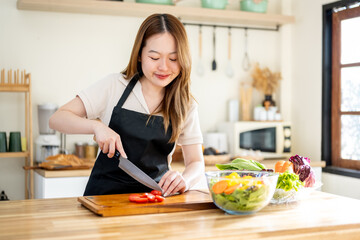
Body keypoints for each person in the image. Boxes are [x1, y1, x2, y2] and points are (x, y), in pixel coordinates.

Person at [49, 13, 204, 197]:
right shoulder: (114, 86)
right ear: (139, 55)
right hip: (103, 199)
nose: (164, 67)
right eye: (154, 58)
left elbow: (196, 162)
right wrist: (96, 127)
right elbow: (57, 119)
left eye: (173, 59)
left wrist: (184, 180)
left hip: (154, 202)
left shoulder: (185, 103)